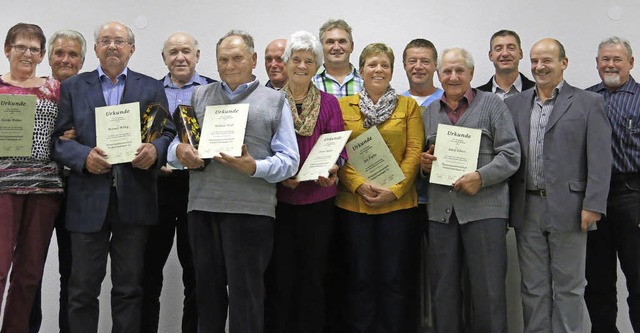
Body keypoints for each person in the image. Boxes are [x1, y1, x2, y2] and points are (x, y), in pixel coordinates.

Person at [169, 30, 299, 333]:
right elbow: (176, 145)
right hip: (202, 209)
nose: (230, 65)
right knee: (207, 297)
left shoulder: (275, 100)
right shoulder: (199, 95)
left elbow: (290, 161)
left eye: (237, 58)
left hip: (251, 213)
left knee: (247, 297)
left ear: (253, 60)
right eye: (223, 59)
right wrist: (180, 151)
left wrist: (254, 166)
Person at [52, 21, 175, 333]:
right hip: (86, 201)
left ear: (131, 49)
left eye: (119, 41)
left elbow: (166, 131)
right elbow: (58, 142)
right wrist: (83, 158)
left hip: (133, 201)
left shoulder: (150, 86)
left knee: (129, 289)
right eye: (104, 40)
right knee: (81, 291)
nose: (111, 46)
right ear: (95, 49)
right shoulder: (73, 87)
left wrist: (155, 150)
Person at [504, 38, 612, 333]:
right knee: (532, 287)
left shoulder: (589, 103)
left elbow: (601, 160)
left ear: (564, 63)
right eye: (536, 61)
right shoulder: (514, 103)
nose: (540, 67)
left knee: (569, 288)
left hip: (572, 208)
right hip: (527, 207)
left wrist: (593, 204)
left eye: (547, 61)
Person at [420, 47, 520, 333]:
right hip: (441, 214)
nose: (453, 76)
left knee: (488, 293)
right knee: (443, 293)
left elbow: (511, 155)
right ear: (438, 75)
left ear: (472, 73)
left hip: (485, 213)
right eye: (447, 71)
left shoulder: (493, 105)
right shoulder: (428, 113)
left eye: (459, 70)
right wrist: (424, 165)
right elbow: (421, 161)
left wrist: (481, 176)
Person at [337, 42, 424, 332]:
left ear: (391, 71)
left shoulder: (408, 105)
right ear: (360, 71)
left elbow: (414, 153)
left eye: (384, 65)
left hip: (398, 207)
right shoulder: (342, 107)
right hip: (353, 206)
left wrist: (395, 190)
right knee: (359, 277)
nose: (378, 69)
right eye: (372, 64)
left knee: (395, 278)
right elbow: (339, 152)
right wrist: (359, 185)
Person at [264, 30, 347, 333]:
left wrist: (334, 168)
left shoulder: (329, 104)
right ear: (285, 64)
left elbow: (338, 147)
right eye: (296, 59)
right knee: (280, 276)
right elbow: (261, 147)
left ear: (317, 66)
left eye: (309, 61)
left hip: (318, 202)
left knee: (314, 274)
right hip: (278, 203)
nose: (301, 66)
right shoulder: (270, 102)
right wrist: (281, 177)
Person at [141, 31, 214, 333]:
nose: (180, 57)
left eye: (186, 51)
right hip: (155, 188)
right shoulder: (149, 91)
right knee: (147, 273)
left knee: (197, 274)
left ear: (197, 55)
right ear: (164, 59)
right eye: (173, 52)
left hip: (198, 189)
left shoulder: (214, 90)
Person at [0, 22, 62, 333]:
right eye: (21, 46)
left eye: (34, 48)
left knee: (28, 274)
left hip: (44, 189)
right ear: (7, 50)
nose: (27, 53)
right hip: (2, 189)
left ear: (41, 55)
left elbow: (66, 130)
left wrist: (68, 133)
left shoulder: (55, 89)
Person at [28, 29, 87, 333]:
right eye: (59, 53)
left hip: (78, 194)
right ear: (48, 58)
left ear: (83, 60)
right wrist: (58, 139)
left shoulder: (92, 94)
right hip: (36, 191)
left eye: (73, 54)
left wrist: (80, 140)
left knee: (74, 275)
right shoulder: (29, 92)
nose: (65, 59)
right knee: (30, 272)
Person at [584, 36, 640, 333]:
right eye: (605, 59)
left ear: (631, 63)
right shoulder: (583, 100)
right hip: (592, 199)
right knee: (597, 280)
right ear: (596, 64)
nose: (610, 64)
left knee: (638, 276)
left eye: (617, 59)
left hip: (632, 194)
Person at [400, 37, 443, 332]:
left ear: (435, 66)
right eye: (412, 61)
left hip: (443, 204)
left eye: (425, 61)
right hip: (405, 203)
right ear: (404, 65)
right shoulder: (396, 103)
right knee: (406, 276)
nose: (418, 66)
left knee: (445, 279)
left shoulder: (450, 100)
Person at [476, 30, 535, 99]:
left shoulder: (537, 91)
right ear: (490, 56)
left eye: (511, 48)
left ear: (520, 54)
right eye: (498, 49)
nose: (505, 54)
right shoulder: (477, 96)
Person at [313, 19, 363, 97]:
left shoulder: (365, 81)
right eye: (330, 42)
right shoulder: (311, 82)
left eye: (342, 41)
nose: (336, 47)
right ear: (320, 47)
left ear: (352, 46)